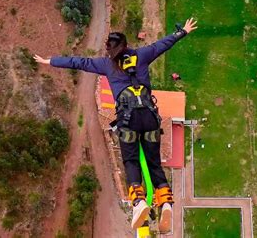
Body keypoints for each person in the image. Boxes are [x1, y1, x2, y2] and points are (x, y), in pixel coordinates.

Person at [34, 18, 198, 232]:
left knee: (131, 161)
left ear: (109, 51)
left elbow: (78, 62)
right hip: (149, 118)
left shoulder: (106, 64)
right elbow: (163, 44)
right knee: (154, 163)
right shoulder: (142, 54)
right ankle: (165, 201)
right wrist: (182, 31)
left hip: (128, 121)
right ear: (127, 45)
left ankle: (139, 203)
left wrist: (50, 61)